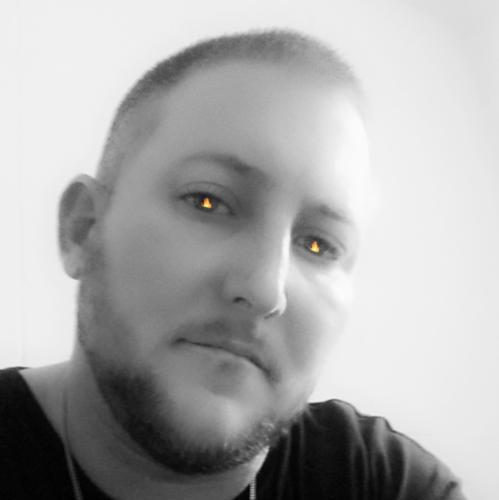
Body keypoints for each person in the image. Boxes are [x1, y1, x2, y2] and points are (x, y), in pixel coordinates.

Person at [1, 29, 466, 499]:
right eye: (208, 201)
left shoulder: (385, 484)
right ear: (83, 230)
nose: (266, 290)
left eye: (319, 244)